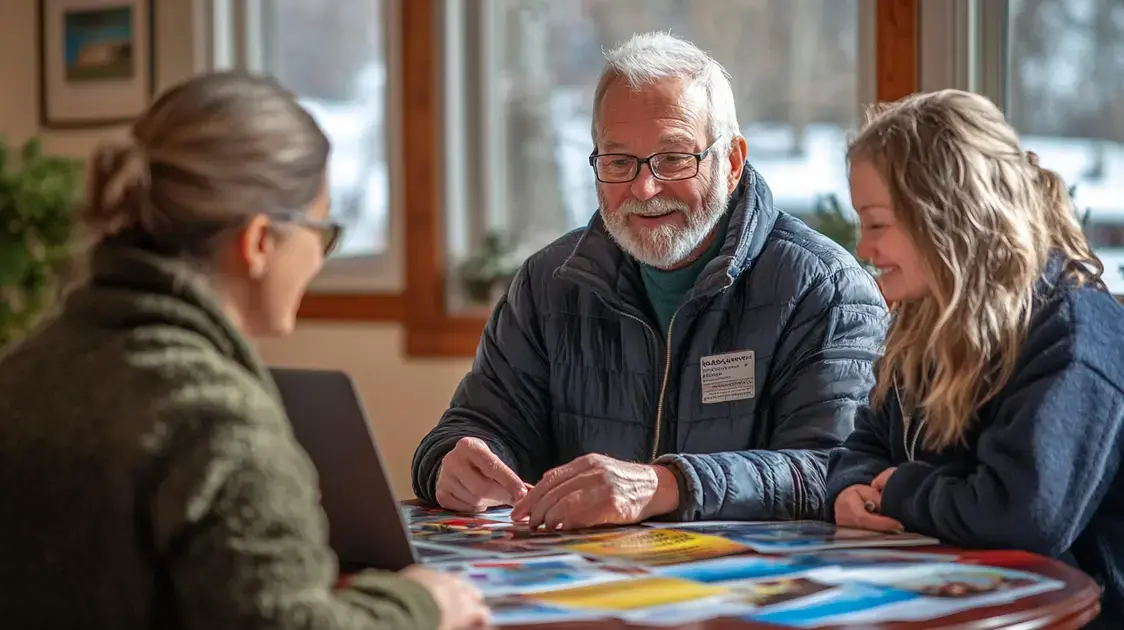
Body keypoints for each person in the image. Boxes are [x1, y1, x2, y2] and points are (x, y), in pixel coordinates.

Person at [0, 72, 488, 630]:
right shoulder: (216, 420)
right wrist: (419, 605)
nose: (319, 261)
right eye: (322, 233)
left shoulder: (21, 370)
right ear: (259, 242)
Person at [412, 32, 887, 530]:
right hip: (586, 587)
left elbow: (834, 472)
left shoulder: (824, 289)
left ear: (731, 162)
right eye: (619, 162)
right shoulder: (548, 285)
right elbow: (479, 426)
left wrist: (667, 486)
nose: (644, 187)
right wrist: (447, 463)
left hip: (759, 596)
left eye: (674, 157)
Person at [825, 89, 1124, 627]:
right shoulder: (923, 317)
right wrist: (852, 488)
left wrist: (896, 491)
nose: (863, 250)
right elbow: (867, 437)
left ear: (945, 218)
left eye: (876, 223)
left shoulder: (1073, 336)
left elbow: (1022, 513)